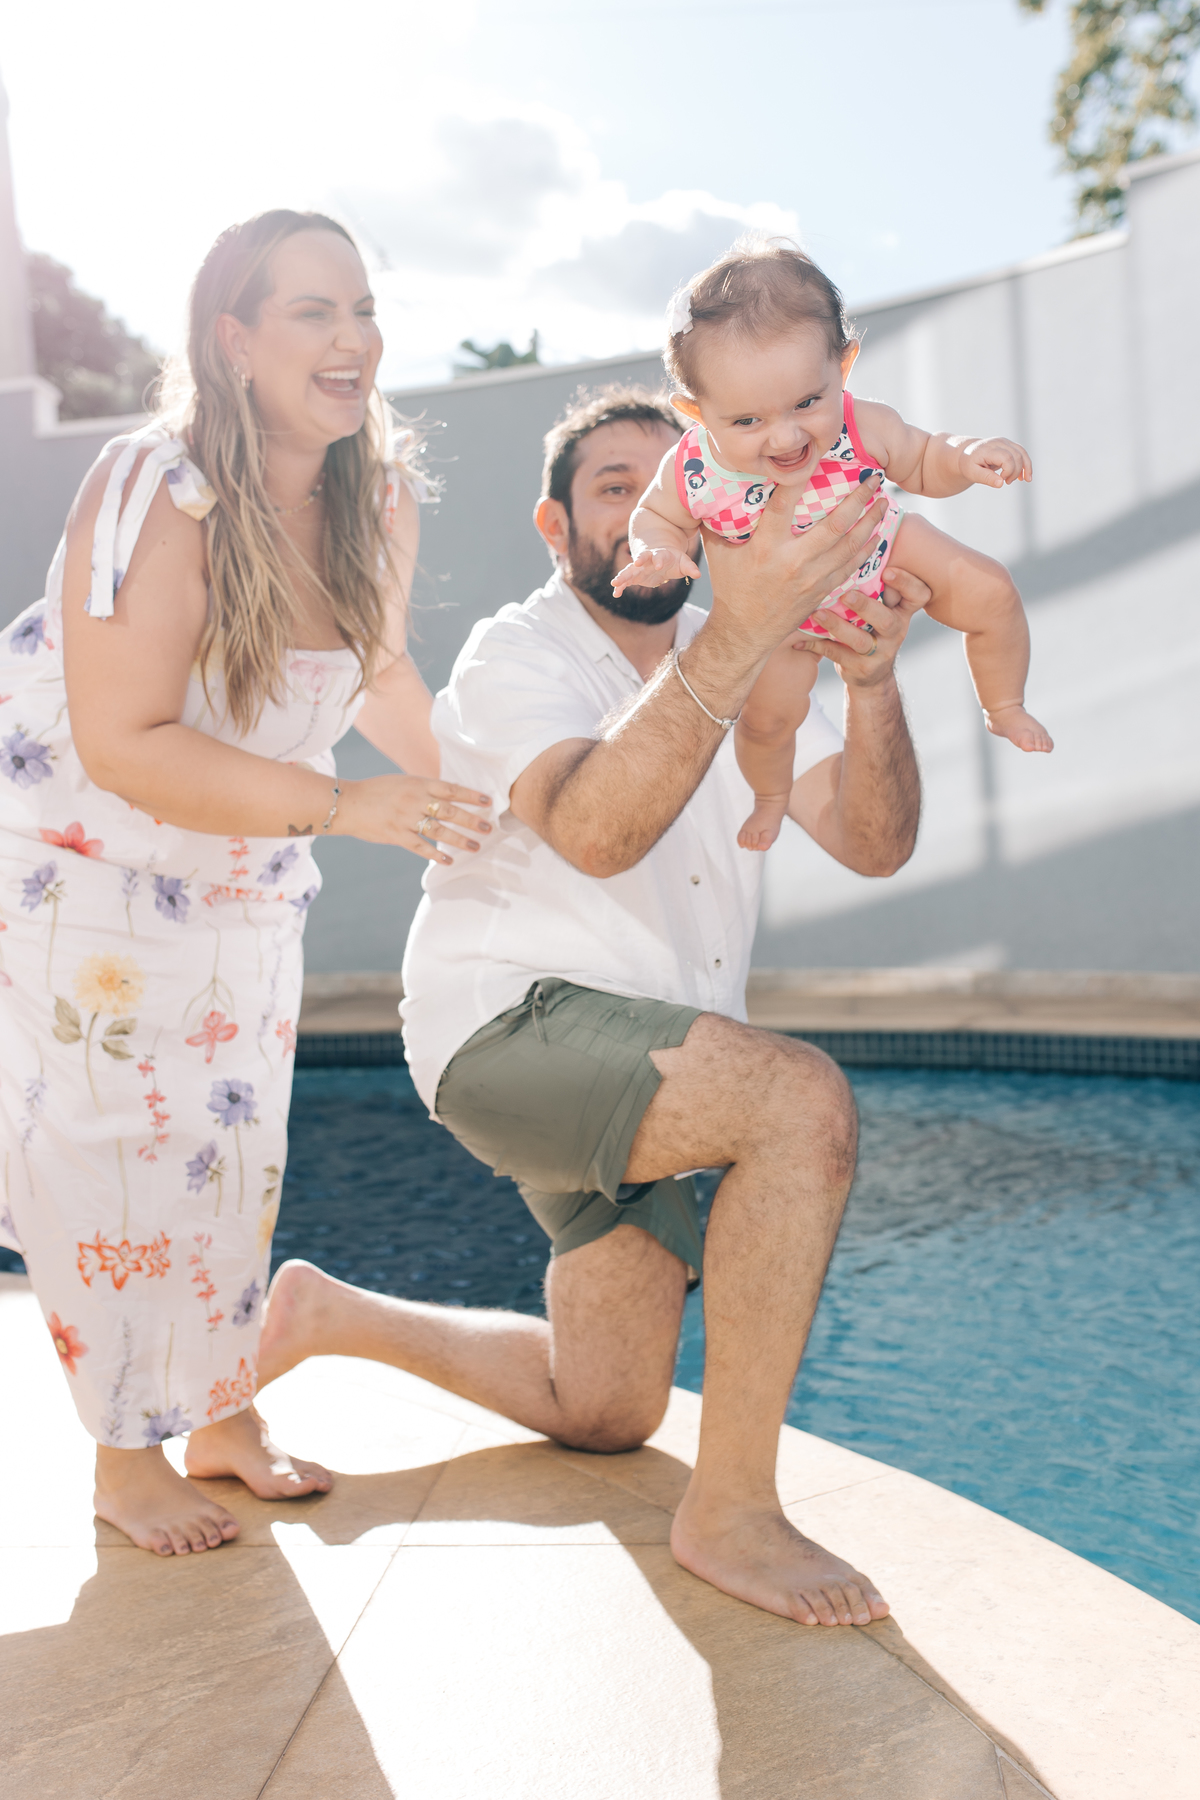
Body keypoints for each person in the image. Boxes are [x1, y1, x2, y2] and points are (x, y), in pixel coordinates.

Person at [260, 384, 930, 1630]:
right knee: (796, 1105)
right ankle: (733, 1512)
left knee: (607, 1409)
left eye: (672, 485)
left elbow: (874, 841)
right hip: (512, 1025)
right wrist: (745, 638)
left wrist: (877, 684)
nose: (645, 513)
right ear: (555, 525)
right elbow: (598, 831)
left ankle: (326, 1311)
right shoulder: (517, 654)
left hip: (652, 1050)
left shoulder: (747, 656)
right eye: (616, 489)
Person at [0, 209, 490, 1558]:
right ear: (234, 339)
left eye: (363, 308)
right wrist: (348, 808)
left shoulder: (377, 495)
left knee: (226, 1147)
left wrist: (485, 796)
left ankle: (220, 1416)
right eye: (313, 312)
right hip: (72, 862)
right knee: (105, 1145)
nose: (353, 338)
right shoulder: (155, 490)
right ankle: (125, 1457)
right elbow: (124, 741)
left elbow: (378, 672)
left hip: (239, 872)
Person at [615, 237, 1052, 852]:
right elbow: (656, 514)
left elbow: (923, 458)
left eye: (807, 402)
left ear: (842, 368)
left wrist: (965, 457)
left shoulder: (861, 422)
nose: (785, 437)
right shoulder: (692, 467)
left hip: (881, 549)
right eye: (747, 421)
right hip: (775, 616)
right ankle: (771, 798)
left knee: (992, 589)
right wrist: (658, 548)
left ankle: (1004, 705)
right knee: (767, 721)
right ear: (696, 412)